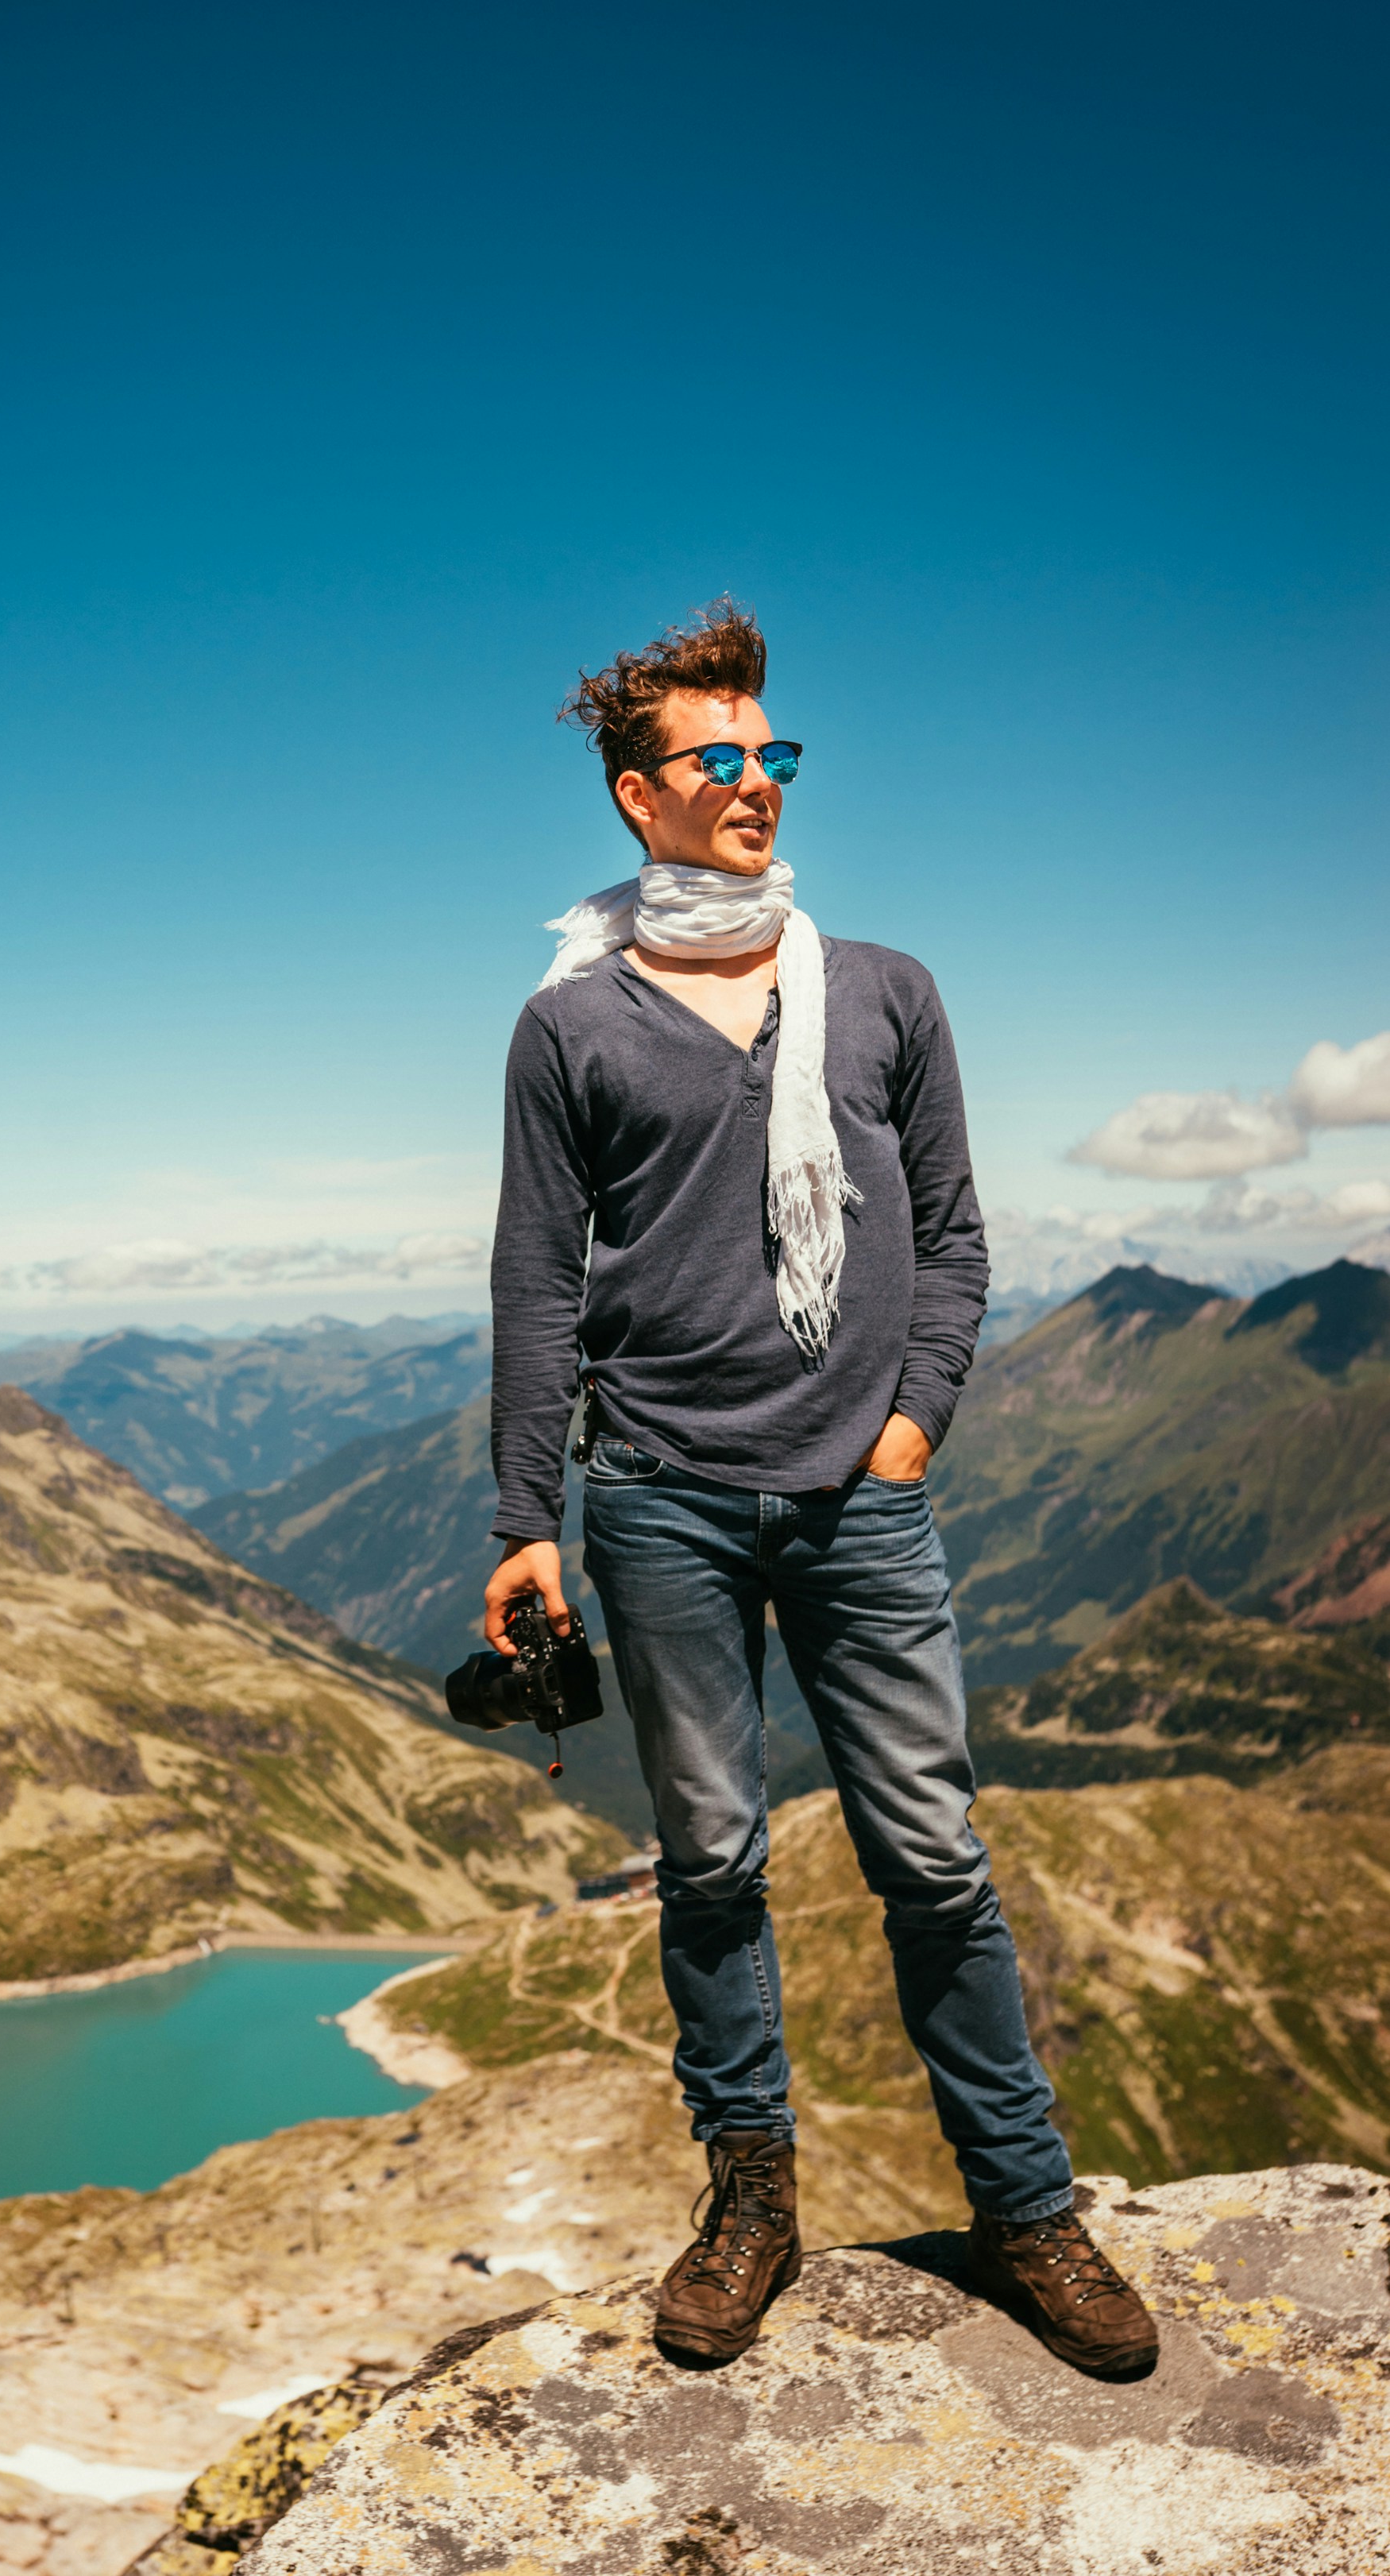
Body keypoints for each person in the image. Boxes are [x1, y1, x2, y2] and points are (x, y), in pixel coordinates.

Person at [481, 600, 1156, 2378]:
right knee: (706, 1863)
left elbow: (952, 1236)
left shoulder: (883, 991)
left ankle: (1026, 2212)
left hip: (863, 1498)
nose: (756, 782)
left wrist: (913, 1420)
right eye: (717, 759)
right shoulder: (572, 1029)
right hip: (662, 1503)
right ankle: (750, 2204)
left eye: (772, 753)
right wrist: (521, 1520)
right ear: (639, 799)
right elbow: (539, 1283)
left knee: (933, 1856)